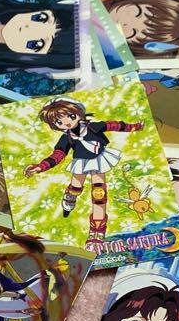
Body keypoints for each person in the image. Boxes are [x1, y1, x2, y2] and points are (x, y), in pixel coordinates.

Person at [24, 97, 144, 248]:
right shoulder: (67, 137)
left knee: (99, 194)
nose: (67, 122)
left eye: (71, 116)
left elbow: (114, 125)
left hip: (99, 160)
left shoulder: (93, 127)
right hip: (80, 163)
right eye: (59, 122)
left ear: (78, 113)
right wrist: (40, 167)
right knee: (76, 187)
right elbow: (58, 155)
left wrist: (134, 127)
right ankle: (70, 196)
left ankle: (97, 231)